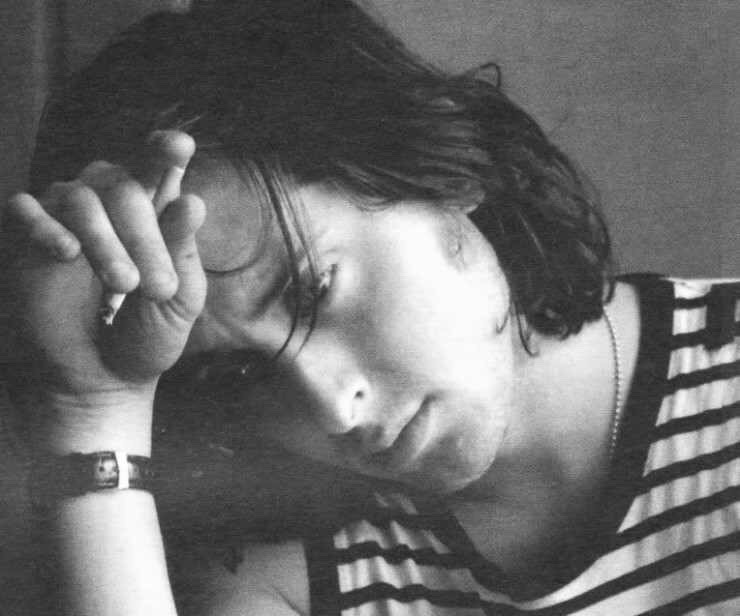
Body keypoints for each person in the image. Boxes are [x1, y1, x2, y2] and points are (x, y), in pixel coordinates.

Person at [2, 0, 738, 614]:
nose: (333, 409)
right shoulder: (289, 579)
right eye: (241, 374)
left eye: (313, 290)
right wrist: (91, 409)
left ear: (437, 170)